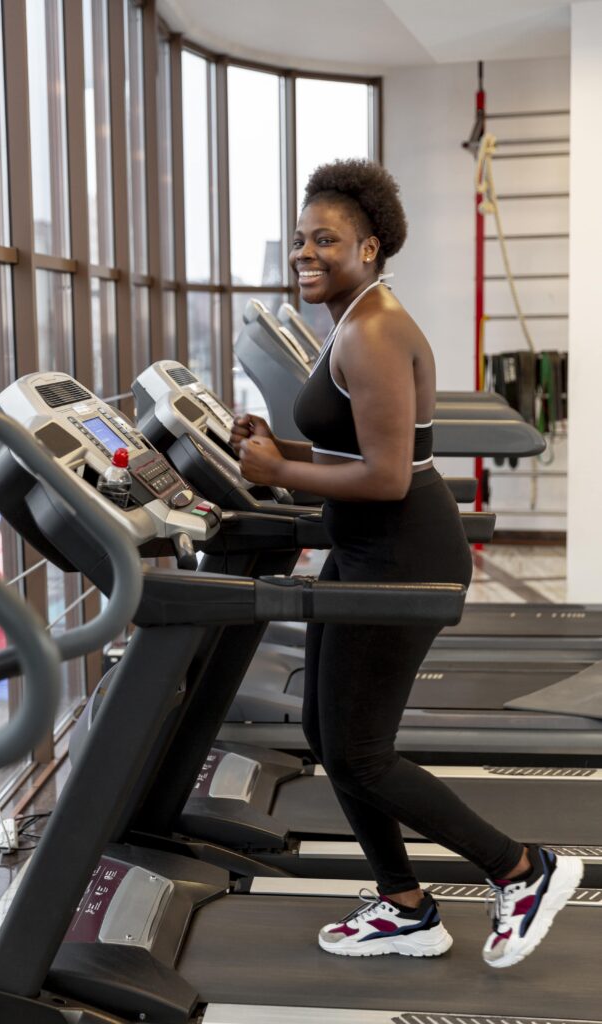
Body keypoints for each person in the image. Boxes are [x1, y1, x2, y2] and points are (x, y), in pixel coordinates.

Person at [231, 158, 582, 969]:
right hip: (365, 550)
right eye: (300, 239)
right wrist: (275, 450)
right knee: (328, 734)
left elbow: (387, 476)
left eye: (326, 240)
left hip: (397, 554)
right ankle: (403, 906)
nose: (305, 253)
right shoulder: (352, 320)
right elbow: (349, 449)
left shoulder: (373, 330)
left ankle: (521, 870)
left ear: (370, 247)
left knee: (360, 749)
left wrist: (279, 472)